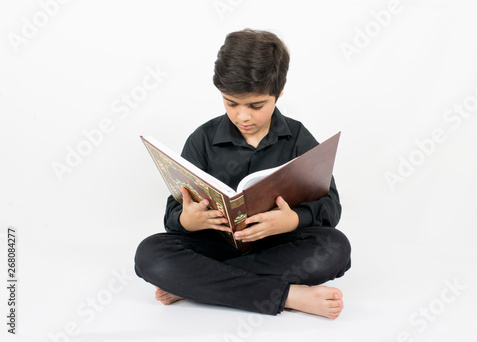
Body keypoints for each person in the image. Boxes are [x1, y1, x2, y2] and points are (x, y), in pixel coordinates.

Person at [134, 29, 351, 319]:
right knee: (150, 255)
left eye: (256, 105)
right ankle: (287, 296)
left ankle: (194, 284)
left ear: (279, 93)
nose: (243, 116)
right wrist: (189, 219)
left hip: (277, 246)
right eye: (231, 103)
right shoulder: (202, 139)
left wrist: (292, 220)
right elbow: (173, 216)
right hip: (214, 246)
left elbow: (331, 207)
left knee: (335, 248)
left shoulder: (298, 138)